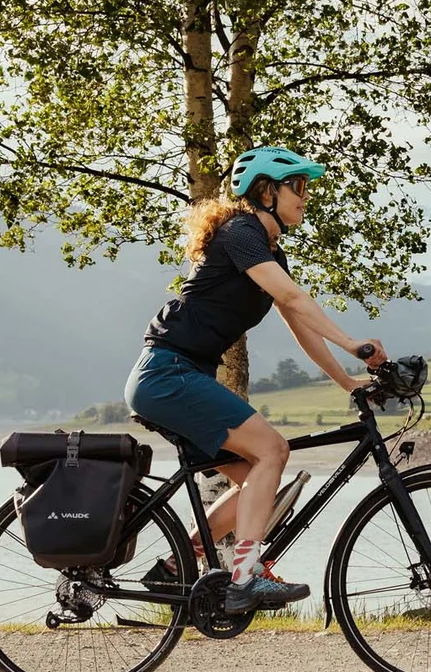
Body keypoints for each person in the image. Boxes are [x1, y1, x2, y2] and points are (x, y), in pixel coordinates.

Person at [125, 146, 385, 614]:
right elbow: (293, 297)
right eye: (298, 188)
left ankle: (175, 565)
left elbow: (301, 325)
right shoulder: (240, 232)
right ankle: (245, 576)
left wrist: (349, 383)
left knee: (254, 485)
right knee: (274, 450)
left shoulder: (269, 253)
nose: (306, 198)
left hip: (177, 376)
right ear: (267, 191)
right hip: (168, 374)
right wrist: (355, 344)